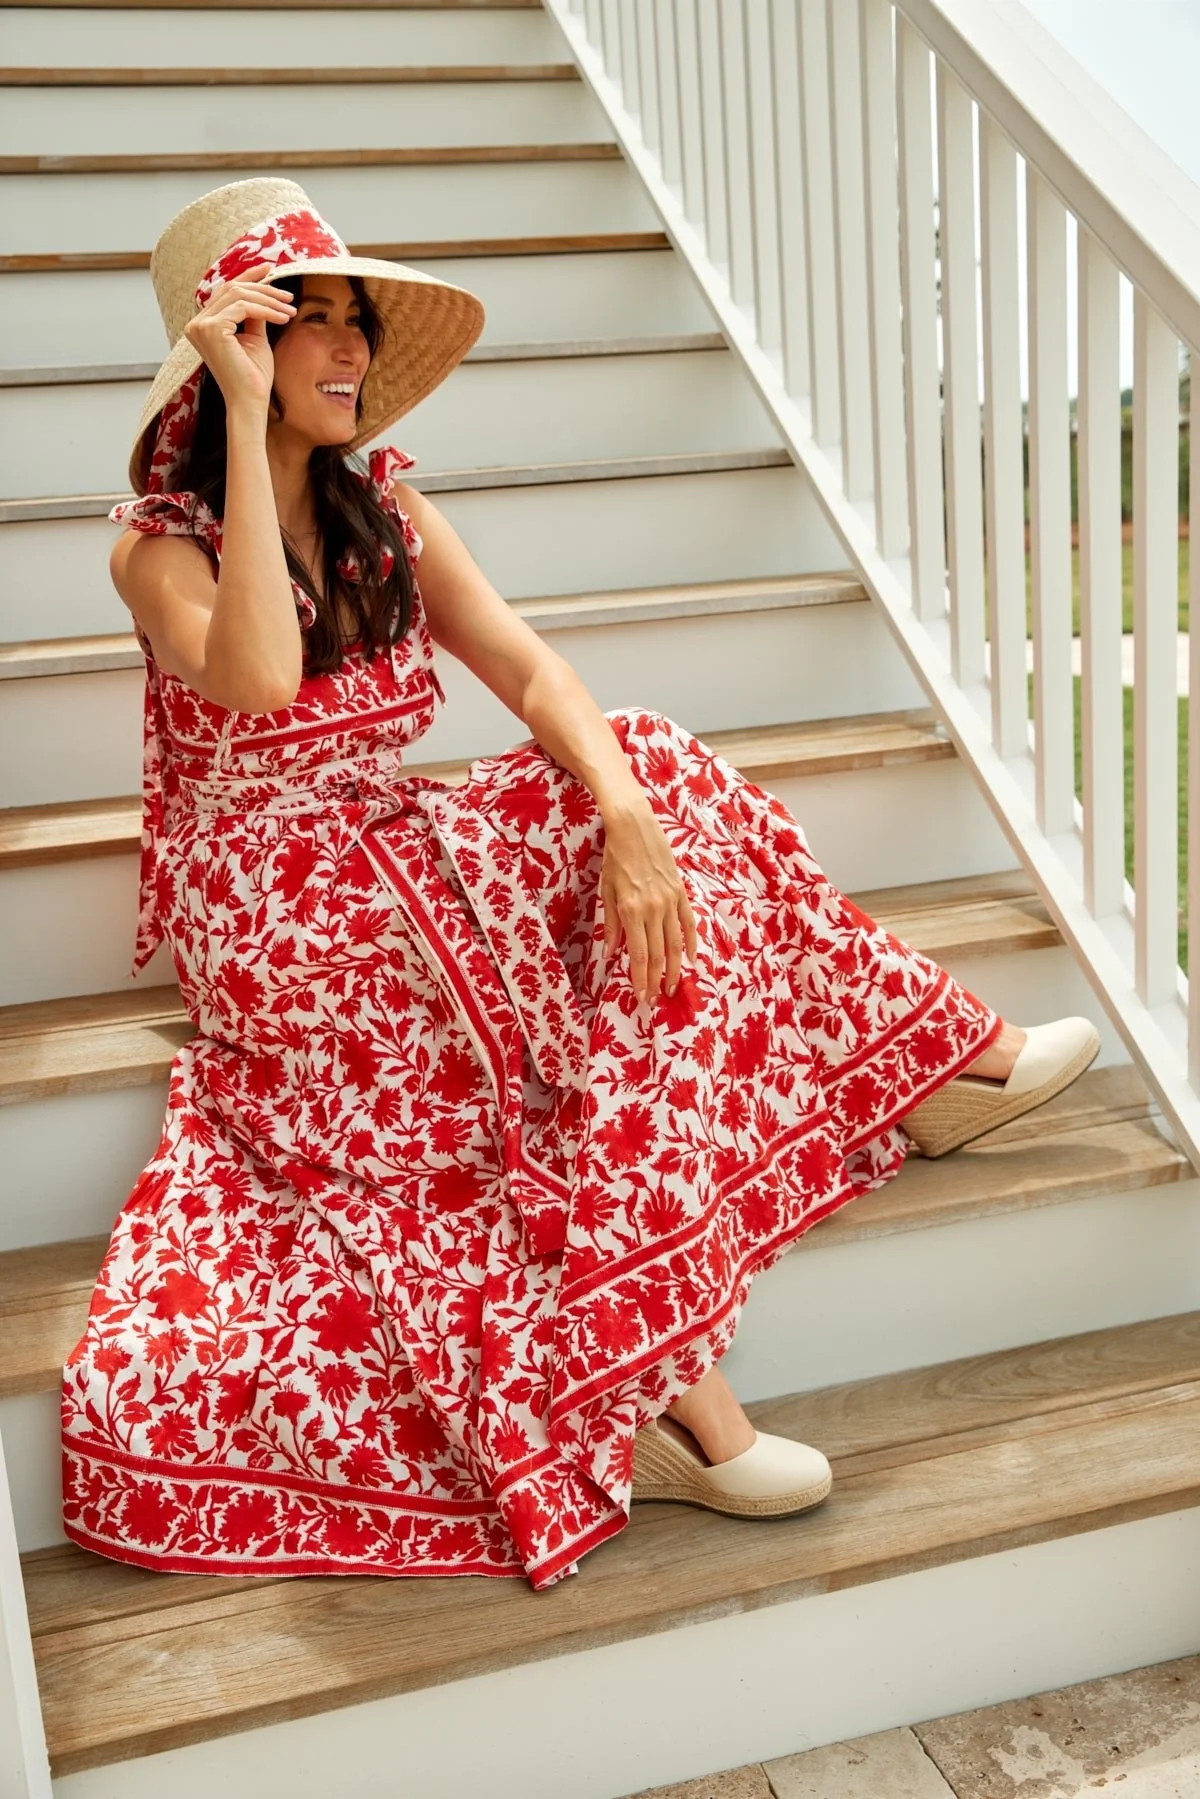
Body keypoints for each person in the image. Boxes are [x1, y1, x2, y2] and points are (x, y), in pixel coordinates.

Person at [61, 178, 1101, 1592]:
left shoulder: (388, 514)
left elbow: (534, 671)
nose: (351, 348)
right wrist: (245, 426)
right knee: (500, 989)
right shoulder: (157, 543)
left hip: (386, 837)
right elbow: (258, 681)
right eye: (312, 324)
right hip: (263, 899)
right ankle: (678, 1398)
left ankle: (928, 1065)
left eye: (358, 319)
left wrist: (621, 814)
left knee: (651, 768)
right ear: (237, 350)